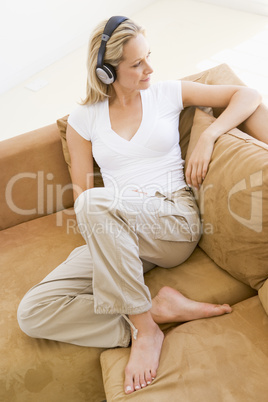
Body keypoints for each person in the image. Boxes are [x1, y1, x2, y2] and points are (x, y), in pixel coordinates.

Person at [17, 16, 262, 395]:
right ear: (106, 71)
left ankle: (145, 332)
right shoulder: (84, 120)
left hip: (171, 222)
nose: (150, 68)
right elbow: (84, 197)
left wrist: (210, 135)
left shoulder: (165, 93)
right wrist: (110, 236)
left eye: (148, 57)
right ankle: (150, 312)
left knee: (94, 204)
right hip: (117, 231)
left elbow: (247, 96)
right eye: (137, 63)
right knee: (33, 312)